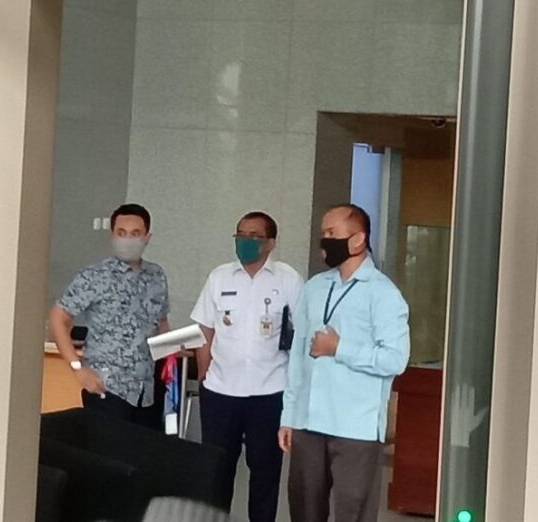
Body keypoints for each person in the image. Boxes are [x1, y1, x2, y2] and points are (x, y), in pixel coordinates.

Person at [278, 204, 410, 522]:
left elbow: (396, 359)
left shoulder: (383, 293)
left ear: (358, 240)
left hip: (355, 425)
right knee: (304, 508)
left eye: (332, 233)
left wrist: (340, 348)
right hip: (308, 421)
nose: (324, 240)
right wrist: (289, 416)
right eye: (323, 233)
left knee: (353, 511)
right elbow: (297, 356)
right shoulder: (315, 287)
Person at [191, 211, 304, 522]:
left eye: (254, 236)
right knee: (216, 471)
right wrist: (203, 375)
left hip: (269, 392)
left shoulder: (288, 280)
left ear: (271, 243)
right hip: (220, 391)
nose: (245, 241)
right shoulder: (219, 277)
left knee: (265, 472)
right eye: (240, 235)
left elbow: (302, 334)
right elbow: (205, 329)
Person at [48, 203, 170, 429]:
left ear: (147, 238)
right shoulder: (95, 276)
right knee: (108, 449)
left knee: (143, 449)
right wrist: (77, 368)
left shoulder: (156, 276)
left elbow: (161, 322)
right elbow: (58, 318)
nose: (128, 239)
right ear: (112, 236)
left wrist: (173, 349)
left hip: (146, 391)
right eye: (121, 233)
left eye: (135, 233)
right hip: (106, 386)